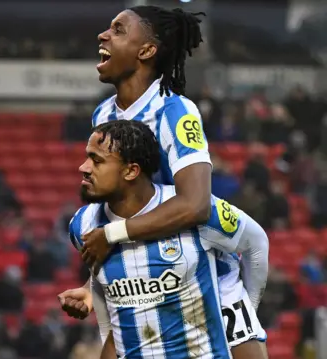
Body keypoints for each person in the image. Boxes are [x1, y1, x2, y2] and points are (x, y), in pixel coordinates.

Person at [60, 6, 269, 358]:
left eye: (118, 30)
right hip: (144, 279)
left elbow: (196, 204)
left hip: (206, 275)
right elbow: (113, 208)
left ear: (146, 50)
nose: (103, 35)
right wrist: (90, 285)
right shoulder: (104, 115)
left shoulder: (175, 111)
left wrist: (244, 305)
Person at [61, 121, 269, 358]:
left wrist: (250, 310)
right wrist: (89, 293)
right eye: (87, 157)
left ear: (131, 171)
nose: (83, 167)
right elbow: (106, 285)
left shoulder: (195, 211)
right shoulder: (82, 226)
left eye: (97, 161)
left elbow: (257, 243)